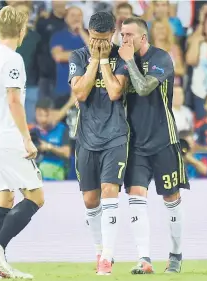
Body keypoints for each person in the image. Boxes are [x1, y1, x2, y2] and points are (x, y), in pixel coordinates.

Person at [119, 17, 190, 274]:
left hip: (164, 140)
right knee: (136, 196)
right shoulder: (120, 61)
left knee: (171, 198)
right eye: (122, 34)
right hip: (135, 144)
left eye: (129, 35)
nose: (124, 39)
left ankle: (176, 254)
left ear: (143, 38)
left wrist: (128, 61)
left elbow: (145, 87)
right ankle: (144, 258)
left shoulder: (161, 59)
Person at [0, 6, 44, 279]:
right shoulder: (13, 59)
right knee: (36, 197)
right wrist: (27, 139)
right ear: (22, 30)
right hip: (7, 138)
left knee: (3, 199)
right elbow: (14, 101)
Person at [68, 11, 129, 275]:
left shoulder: (123, 57)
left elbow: (116, 92)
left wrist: (104, 59)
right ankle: (98, 248)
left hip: (115, 135)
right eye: (94, 39)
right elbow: (80, 92)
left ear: (113, 34)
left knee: (109, 191)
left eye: (104, 40)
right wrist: (95, 58)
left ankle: (108, 256)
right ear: (89, 34)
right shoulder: (78, 57)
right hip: (86, 136)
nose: (99, 44)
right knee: (90, 200)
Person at [30, 97, 71, 181]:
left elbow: (67, 153)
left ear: (53, 113)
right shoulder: (33, 132)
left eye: (46, 115)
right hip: (35, 173)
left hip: (56, 171)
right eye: (40, 115)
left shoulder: (62, 129)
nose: (43, 119)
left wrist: (49, 147)